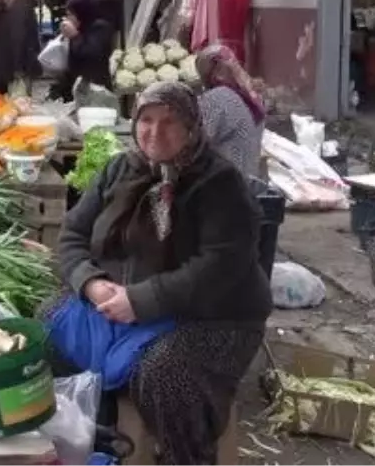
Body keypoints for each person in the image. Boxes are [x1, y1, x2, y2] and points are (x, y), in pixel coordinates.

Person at [55, 81, 271, 464]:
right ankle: (90, 434)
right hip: (121, 303)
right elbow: (73, 234)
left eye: (170, 122)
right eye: (147, 120)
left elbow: (220, 267)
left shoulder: (219, 184)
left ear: (192, 128)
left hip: (212, 316)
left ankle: (185, 455)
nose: (155, 132)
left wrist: (141, 300)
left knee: (163, 372)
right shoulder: (120, 169)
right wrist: (90, 283)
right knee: (48, 329)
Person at [195, 43, 266, 177]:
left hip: (227, 183)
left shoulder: (218, 98)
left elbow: (197, 142)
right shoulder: (251, 95)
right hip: (247, 180)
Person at [49, 0, 119, 103]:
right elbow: (73, 63)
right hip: (77, 91)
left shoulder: (100, 27)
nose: (68, 19)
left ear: (82, 14)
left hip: (96, 91)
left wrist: (75, 36)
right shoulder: (79, 30)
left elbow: (92, 53)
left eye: (71, 15)